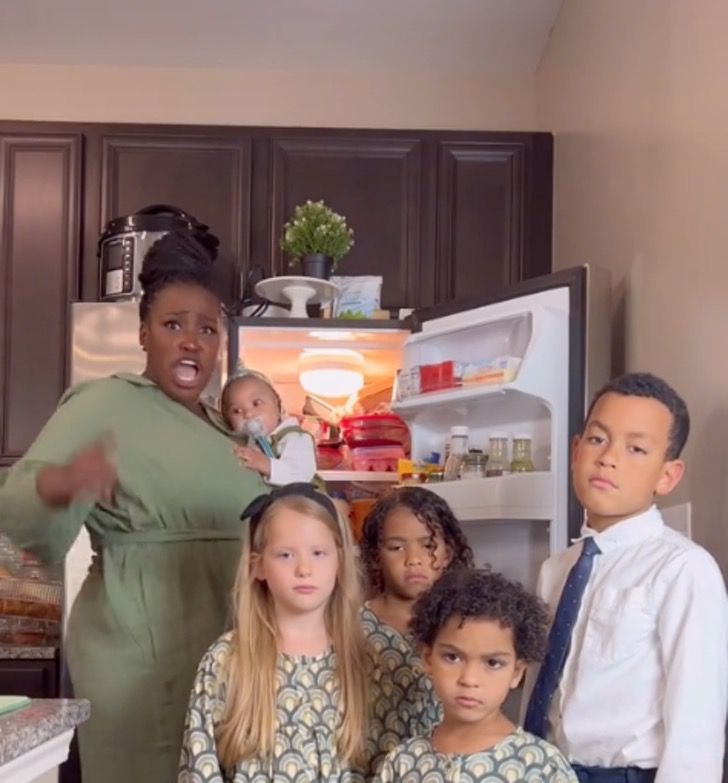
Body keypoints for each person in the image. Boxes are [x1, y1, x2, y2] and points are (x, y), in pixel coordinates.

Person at [0, 230, 269, 783]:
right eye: (173, 325)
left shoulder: (228, 427)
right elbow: (21, 521)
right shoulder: (105, 403)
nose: (192, 342)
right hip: (142, 653)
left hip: (233, 657)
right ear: (144, 334)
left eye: (207, 329)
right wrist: (64, 483)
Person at [523, 372, 728, 783]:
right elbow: (537, 686)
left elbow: (696, 727)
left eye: (635, 448)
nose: (608, 458)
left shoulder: (682, 569)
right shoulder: (556, 569)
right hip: (545, 770)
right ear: (576, 451)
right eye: (597, 439)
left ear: (667, 476)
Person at [178, 483, 369, 782]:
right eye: (285, 555)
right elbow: (200, 767)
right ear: (258, 566)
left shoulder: (364, 659)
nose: (304, 569)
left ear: (340, 561)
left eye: (318, 553)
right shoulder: (227, 659)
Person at [374, 568, 577, 782]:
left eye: (492, 663)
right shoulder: (402, 762)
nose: (469, 679)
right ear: (428, 658)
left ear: (516, 672)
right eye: (453, 657)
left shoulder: (541, 766)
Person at [359, 486, 475, 773]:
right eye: (396, 547)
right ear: (376, 555)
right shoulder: (351, 627)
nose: (413, 559)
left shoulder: (466, 627)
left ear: (448, 552)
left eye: (428, 545)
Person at [222, 369, 317, 485]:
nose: (248, 414)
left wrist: (266, 465)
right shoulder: (248, 445)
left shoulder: (296, 438)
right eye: (237, 411)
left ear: (277, 403)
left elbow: (300, 475)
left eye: (256, 403)